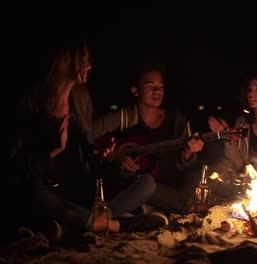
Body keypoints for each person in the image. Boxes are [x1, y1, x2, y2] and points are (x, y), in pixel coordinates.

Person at [5, 38, 165, 247]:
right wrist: (53, 150)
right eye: (83, 60)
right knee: (34, 193)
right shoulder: (31, 102)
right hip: (48, 188)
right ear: (65, 60)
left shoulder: (80, 98)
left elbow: (87, 153)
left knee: (147, 183)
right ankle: (118, 225)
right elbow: (13, 169)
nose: (89, 66)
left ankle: (81, 223)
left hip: (81, 185)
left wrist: (103, 156)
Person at [105, 63, 205, 216]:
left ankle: (142, 207)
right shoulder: (124, 117)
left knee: (189, 196)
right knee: (145, 185)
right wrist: (115, 156)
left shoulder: (177, 121)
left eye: (160, 86)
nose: (157, 91)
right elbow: (91, 135)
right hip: (129, 183)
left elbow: (187, 169)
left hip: (163, 189)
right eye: (150, 86)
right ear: (135, 91)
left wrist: (188, 153)